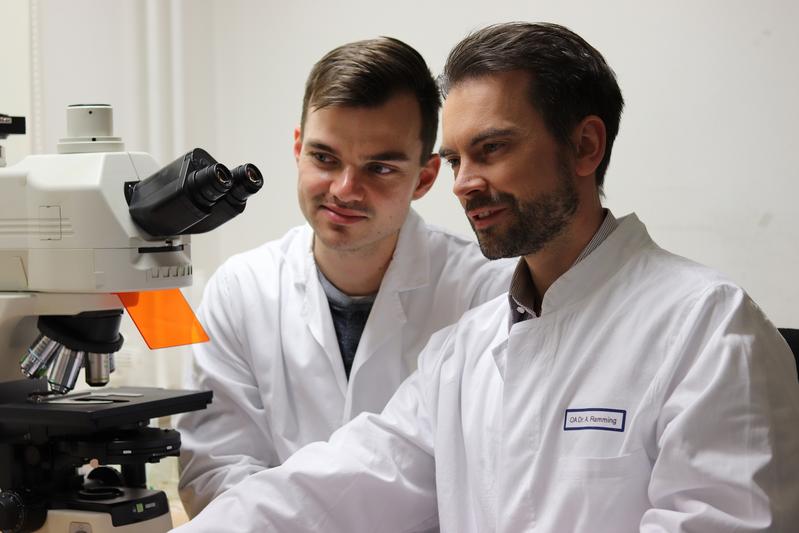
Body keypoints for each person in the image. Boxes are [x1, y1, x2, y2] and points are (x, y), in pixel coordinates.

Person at [175, 23, 799, 532]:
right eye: (455, 158)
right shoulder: (467, 348)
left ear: (585, 148)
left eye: (493, 149)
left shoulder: (707, 329)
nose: (464, 183)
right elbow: (331, 491)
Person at [176, 36, 515, 517]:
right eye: (324, 158)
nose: (344, 190)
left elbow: (490, 477)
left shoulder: (487, 291)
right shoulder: (240, 289)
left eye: (379, 167)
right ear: (297, 148)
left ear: (424, 178)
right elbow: (215, 469)